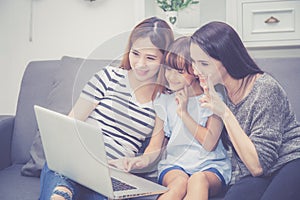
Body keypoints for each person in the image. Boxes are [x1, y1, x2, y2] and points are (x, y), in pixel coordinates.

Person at [39, 17, 174, 200]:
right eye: (136, 54)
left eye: (150, 58)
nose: (140, 64)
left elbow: (153, 149)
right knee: (60, 180)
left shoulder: (164, 98)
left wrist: (137, 162)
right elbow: (71, 123)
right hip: (77, 161)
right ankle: (62, 192)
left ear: (164, 59)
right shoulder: (108, 77)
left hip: (113, 174)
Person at [189, 21, 300, 200]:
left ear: (227, 60)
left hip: (290, 160)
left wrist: (224, 113)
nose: (196, 70)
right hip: (254, 172)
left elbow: (258, 165)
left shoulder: (265, 89)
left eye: (203, 63)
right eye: (193, 62)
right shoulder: (219, 91)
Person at [110, 37, 231, 200]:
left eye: (179, 71)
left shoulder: (214, 99)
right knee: (179, 183)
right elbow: (155, 146)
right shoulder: (164, 100)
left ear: (195, 71)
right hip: (175, 165)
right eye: (168, 69)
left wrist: (183, 114)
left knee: (198, 180)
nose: (171, 77)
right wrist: (138, 161)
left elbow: (209, 143)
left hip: (210, 167)